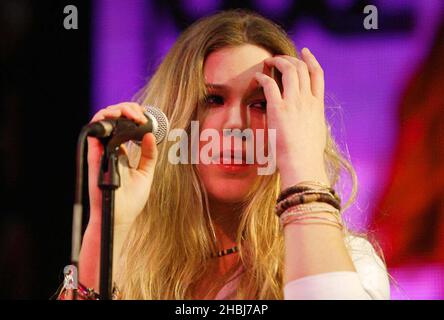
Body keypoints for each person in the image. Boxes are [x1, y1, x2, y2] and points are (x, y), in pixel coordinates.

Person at [63, 9, 390, 300]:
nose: (236, 125)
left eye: (261, 104)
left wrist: (304, 165)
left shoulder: (351, 261)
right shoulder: (133, 260)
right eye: (214, 100)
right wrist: (111, 224)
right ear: (179, 117)